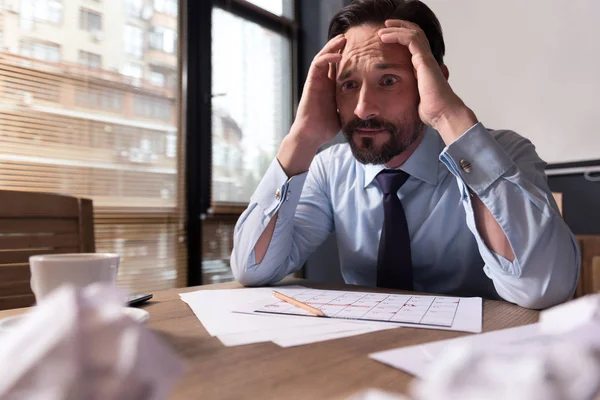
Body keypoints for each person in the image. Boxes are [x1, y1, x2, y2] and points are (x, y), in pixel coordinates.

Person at [230, 0, 580, 309]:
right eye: (349, 85)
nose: (363, 108)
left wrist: (448, 116)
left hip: (471, 364)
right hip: (361, 359)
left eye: (388, 81)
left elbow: (543, 288)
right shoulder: (330, 169)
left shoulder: (505, 153)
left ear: (433, 81)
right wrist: (301, 138)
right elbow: (253, 269)